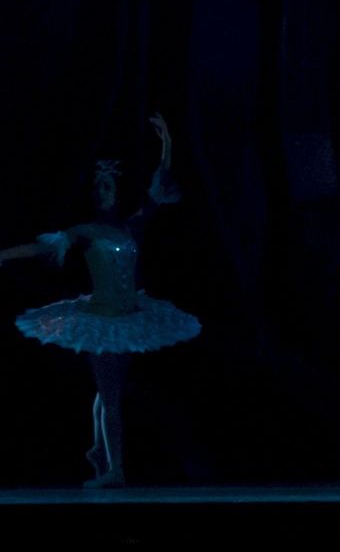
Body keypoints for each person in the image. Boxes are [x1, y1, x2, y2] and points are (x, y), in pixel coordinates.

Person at [2, 115, 196, 487]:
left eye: (109, 185)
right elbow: (42, 246)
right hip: (101, 320)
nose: (104, 191)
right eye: (99, 186)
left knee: (110, 390)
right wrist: (4, 255)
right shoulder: (86, 232)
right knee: (109, 395)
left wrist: (168, 143)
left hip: (130, 317)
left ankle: (97, 449)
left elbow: (161, 184)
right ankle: (116, 468)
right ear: (94, 194)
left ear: (117, 192)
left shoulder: (130, 225)